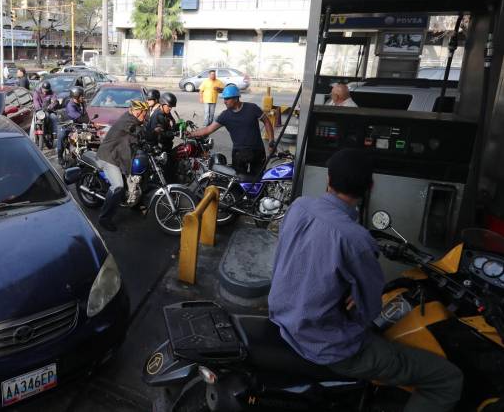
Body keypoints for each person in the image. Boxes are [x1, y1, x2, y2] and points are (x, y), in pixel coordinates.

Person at [268, 149, 463, 412]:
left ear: (329, 179)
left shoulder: (300, 206)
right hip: (327, 346)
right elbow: (369, 309)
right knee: (446, 378)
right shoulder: (357, 240)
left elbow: (295, 256)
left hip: (284, 321)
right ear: (369, 186)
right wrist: (355, 295)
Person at [189, 85, 275, 173]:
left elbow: (267, 122)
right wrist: (191, 134)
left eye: (227, 99)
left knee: (258, 181)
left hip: (258, 151)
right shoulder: (225, 116)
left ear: (236, 99)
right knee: (238, 182)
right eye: (224, 99)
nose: (224, 102)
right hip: (239, 154)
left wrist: (271, 141)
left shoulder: (252, 108)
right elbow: (208, 129)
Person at [95, 101, 150, 231]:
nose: (146, 116)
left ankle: (135, 202)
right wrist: (150, 132)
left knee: (142, 172)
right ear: (138, 112)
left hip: (120, 155)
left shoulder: (134, 120)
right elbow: (137, 132)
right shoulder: (128, 122)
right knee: (118, 186)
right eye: (145, 114)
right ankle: (104, 218)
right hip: (109, 157)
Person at [57, 85, 90, 163]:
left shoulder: (81, 103)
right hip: (68, 125)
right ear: (76, 97)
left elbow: (85, 115)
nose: (83, 97)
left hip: (78, 125)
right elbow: (79, 118)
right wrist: (86, 121)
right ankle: (60, 156)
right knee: (61, 136)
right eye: (81, 96)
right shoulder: (70, 106)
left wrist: (91, 122)